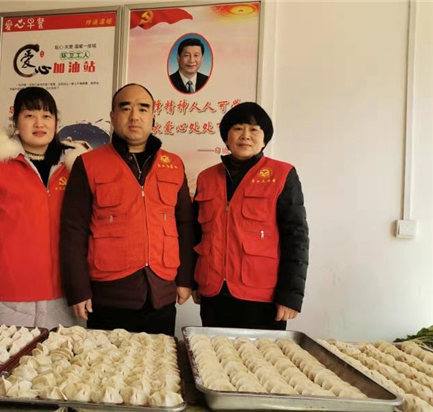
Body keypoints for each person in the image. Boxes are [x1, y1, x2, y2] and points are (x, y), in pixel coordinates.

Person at [60, 83, 194, 336]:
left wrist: (186, 279)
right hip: (108, 296)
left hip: (161, 293)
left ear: (153, 116)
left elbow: (185, 225)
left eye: (143, 109)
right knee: (106, 360)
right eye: (126, 108)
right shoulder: (88, 163)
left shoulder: (174, 165)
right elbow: (73, 229)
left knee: (161, 360)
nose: (135, 116)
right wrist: (78, 289)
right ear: (112, 117)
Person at [0, 87, 88, 329]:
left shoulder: (75, 165)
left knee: (61, 354)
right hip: (5, 298)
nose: (39, 123)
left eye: (47, 116)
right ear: (16, 121)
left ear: (56, 122)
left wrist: (84, 288)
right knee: (4, 354)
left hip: (65, 298)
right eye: (30, 115)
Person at [192, 102, 309, 330]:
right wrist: (194, 282)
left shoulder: (282, 174)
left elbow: (296, 237)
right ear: (226, 137)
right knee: (213, 352)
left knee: (261, 354)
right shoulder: (206, 178)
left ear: (264, 139)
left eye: (254, 129)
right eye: (238, 128)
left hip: (263, 296)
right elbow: (197, 234)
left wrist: (290, 296)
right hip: (214, 294)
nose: (245, 135)